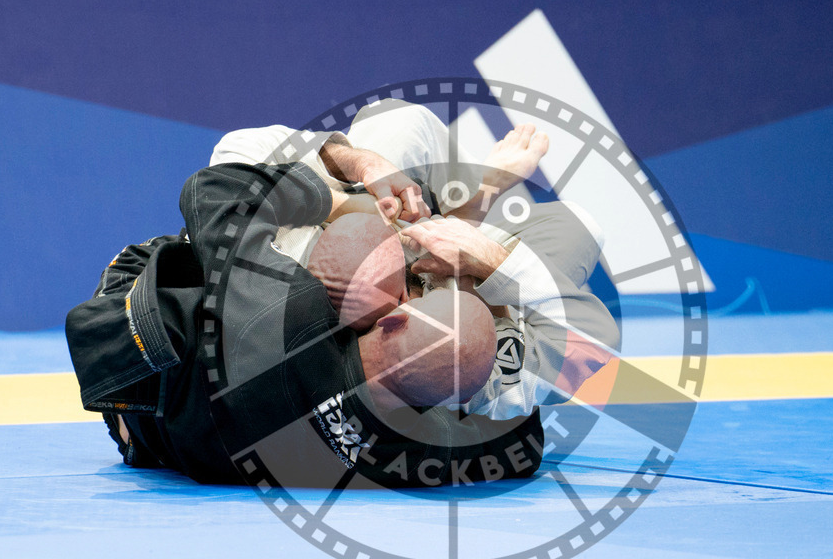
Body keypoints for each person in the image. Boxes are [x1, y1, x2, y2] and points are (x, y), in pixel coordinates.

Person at [66, 161, 544, 487]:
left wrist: (334, 201)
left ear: (393, 321)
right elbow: (525, 444)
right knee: (363, 254)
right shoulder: (418, 448)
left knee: (356, 243)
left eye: (416, 293)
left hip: (136, 372)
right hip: (168, 442)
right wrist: (495, 292)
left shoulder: (285, 314)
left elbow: (212, 189)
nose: (414, 286)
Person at [209, 100, 621, 420]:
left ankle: (439, 212)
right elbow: (594, 338)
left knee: (403, 123)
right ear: (398, 313)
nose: (411, 258)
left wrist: (353, 186)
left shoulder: (276, 262)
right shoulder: (472, 376)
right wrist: (489, 262)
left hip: (342, 236)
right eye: (415, 285)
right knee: (580, 226)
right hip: (474, 299)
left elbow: (235, 154)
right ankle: (469, 212)